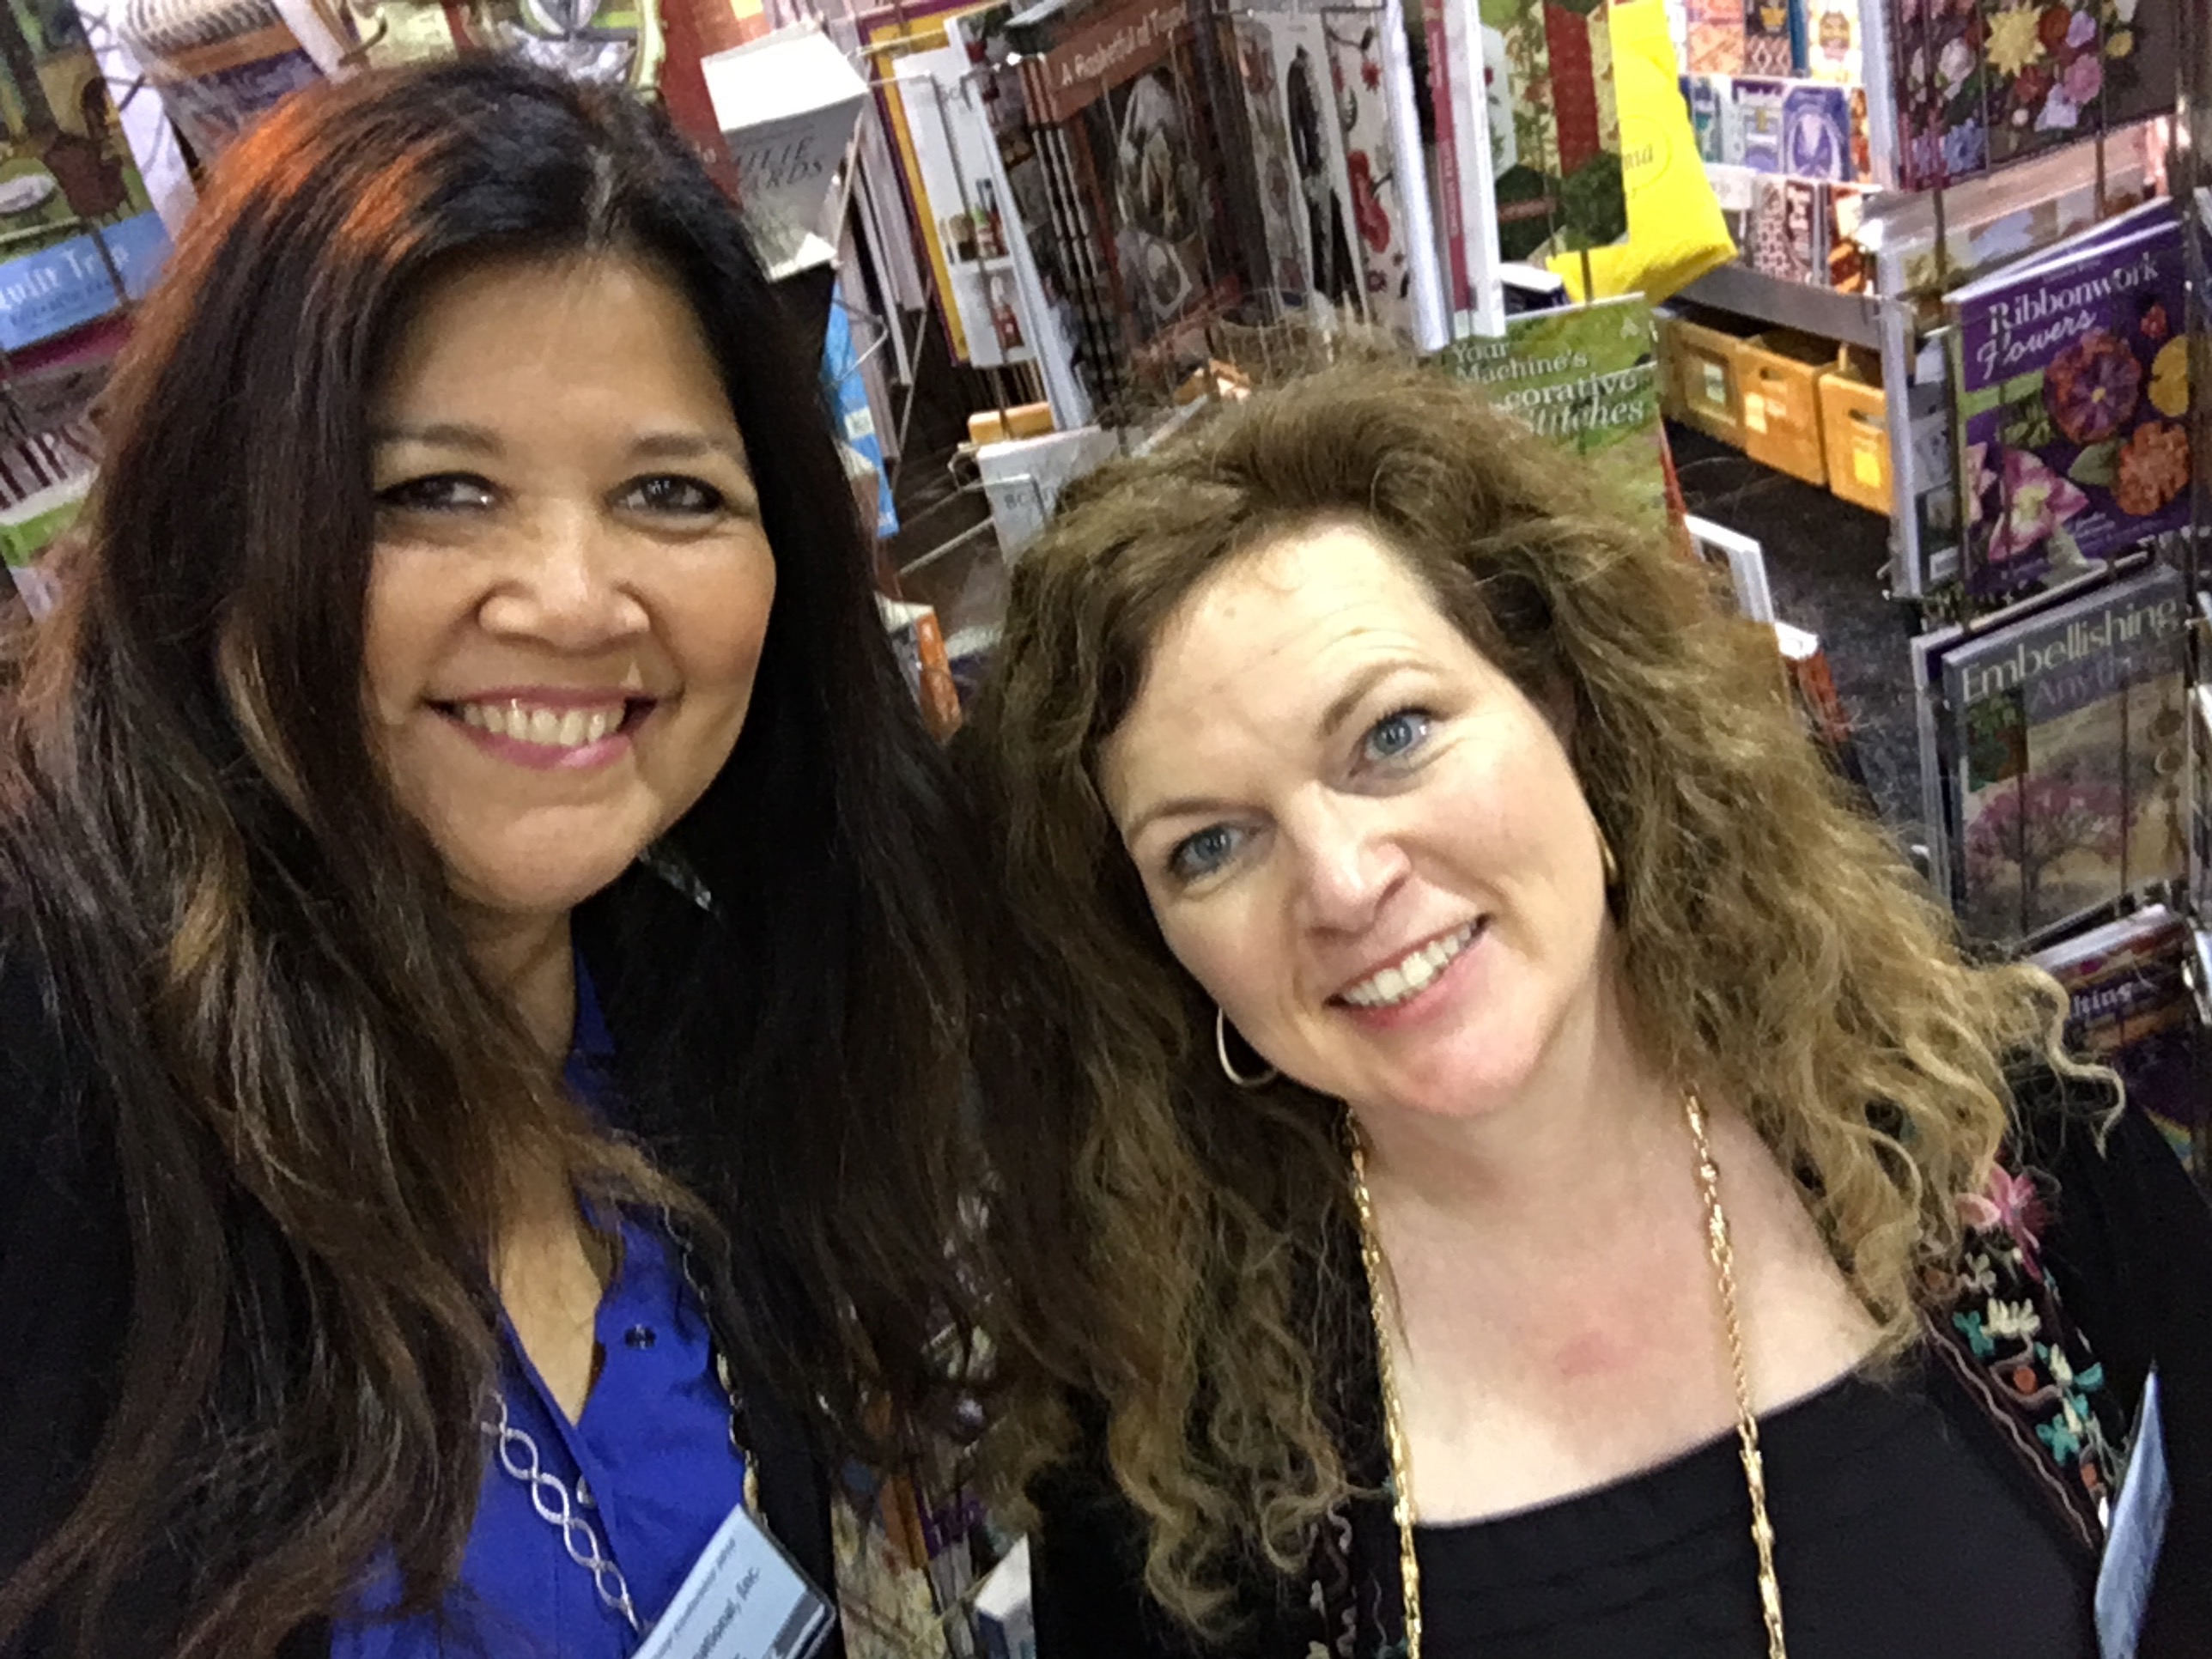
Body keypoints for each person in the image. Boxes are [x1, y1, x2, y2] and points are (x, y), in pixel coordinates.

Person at [963, 362, 2212, 1657]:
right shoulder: (1162, 1445)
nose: (1342, 884)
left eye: (1393, 735)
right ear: (1154, 942)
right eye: (1210, 846)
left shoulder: (1981, 1118)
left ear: (1558, 702)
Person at [0, 60, 994, 1659]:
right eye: (435, 492)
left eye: (669, 492)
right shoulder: (59, 1090)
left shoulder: (729, 1027)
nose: (574, 598)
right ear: (215, 529)